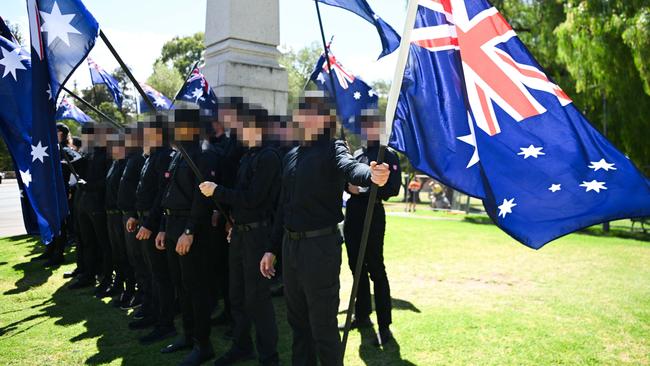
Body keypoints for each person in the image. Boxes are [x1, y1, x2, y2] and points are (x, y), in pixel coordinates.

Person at [259, 91, 390, 365]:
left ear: (325, 119)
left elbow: (351, 168)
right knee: (298, 325)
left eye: (314, 112)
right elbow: (284, 206)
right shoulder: (291, 155)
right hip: (290, 246)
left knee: (323, 329)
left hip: (320, 249)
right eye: (304, 111)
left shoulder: (333, 147)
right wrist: (271, 249)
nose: (307, 117)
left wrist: (372, 174)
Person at [199, 105, 281, 366]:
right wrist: (232, 220)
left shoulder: (269, 157)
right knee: (237, 296)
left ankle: (269, 357)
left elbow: (254, 198)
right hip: (240, 234)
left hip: (258, 236)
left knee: (258, 299)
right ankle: (242, 346)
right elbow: (241, 198)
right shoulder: (247, 156)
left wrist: (218, 191)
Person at [157, 111, 220, 365]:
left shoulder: (204, 153)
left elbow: (201, 199)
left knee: (196, 289)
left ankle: (203, 344)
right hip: (172, 225)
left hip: (191, 230)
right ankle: (188, 334)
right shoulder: (178, 154)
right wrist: (162, 226)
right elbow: (168, 192)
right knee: (180, 286)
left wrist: (189, 231)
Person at [341, 111, 402, 346]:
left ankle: (384, 324)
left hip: (373, 213)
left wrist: (362, 191)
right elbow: (348, 182)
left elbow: (393, 188)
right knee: (356, 267)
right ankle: (362, 315)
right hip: (354, 214)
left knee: (376, 267)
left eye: (372, 126)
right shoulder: (356, 154)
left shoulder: (388, 155)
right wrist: (349, 188)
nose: (367, 130)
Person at [134, 119, 178, 344]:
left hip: (155, 225)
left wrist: (150, 224)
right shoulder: (151, 156)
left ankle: (165, 323)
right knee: (150, 272)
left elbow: (161, 196)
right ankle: (151, 312)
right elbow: (143, 190)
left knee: (161, 276)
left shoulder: (164, 157)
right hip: (145, 221)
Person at [118, 126, 149, 316]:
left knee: (141, 260)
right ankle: (141, 294)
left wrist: (133, 214)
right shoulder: (130, 159)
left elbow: (140, 191)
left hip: (135, 217)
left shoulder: (139, 159)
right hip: (128, 214)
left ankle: (146, 297)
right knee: (133, 259)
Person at [105, 131, 136, 308]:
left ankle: (131, 290)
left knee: (128, 256)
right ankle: (123, 287)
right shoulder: (116, 164)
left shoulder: (128, 162)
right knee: (118, 255)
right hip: (113, 215)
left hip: (123, 215)